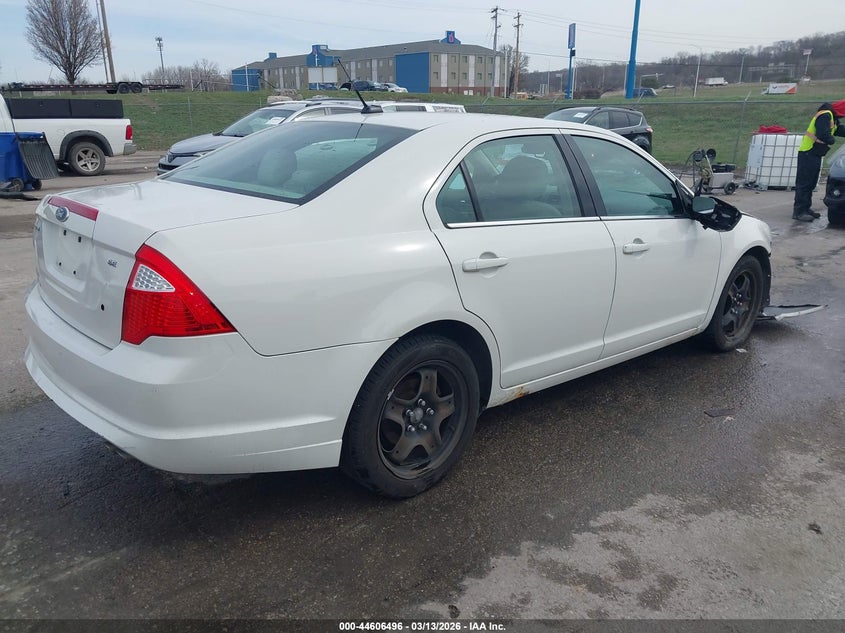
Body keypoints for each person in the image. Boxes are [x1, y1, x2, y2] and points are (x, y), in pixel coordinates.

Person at [793, 100, 845, 221]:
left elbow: (838, 130)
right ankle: (799, 211)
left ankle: (806, 208)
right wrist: (831, 140)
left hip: (814, 153)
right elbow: (823, 134)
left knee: (811, 182)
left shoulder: (831, 117)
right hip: (808, 152)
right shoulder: (825, 115)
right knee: (805, 182)